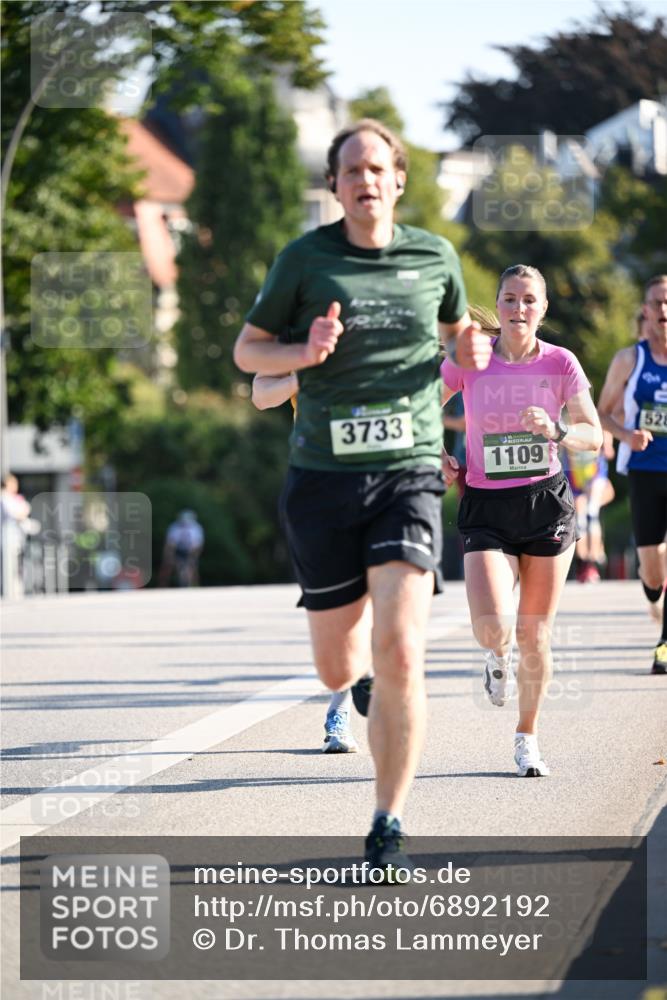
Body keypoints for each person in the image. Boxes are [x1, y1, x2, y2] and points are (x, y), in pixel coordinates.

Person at [234, 118, 491, 875]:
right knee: (336, 666)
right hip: (321, 478)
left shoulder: (434, 256)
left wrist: (467, 351)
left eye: (377, 167)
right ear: (336, 186)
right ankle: (358, 684)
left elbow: (455, 339)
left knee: (404, 646)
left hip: (407, 470)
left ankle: (388, 822)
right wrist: (303, 353)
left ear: (398, 178)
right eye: (351, 171)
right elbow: (249, 351)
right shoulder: (303, 261)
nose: (365, 180)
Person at [441, 265, 603, 776]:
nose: (518, 309)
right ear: (499, 303)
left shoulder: (561, 363)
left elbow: (593, 434)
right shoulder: (472, 356)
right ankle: (496, 655)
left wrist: (556, 430)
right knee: (493, 625)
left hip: (545, 502)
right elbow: (424, 405)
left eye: (529, 300)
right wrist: (433, 452)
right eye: (509, 299)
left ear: (543, 308)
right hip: (486, 504)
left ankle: (526, 736)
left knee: (536, 634)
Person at [251, 371, 370, 754]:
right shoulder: (299, 330)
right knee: (339, 608)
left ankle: (347, 703)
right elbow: (261, 395)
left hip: (380, 480)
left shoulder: (383, 321)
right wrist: (303, 372)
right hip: (320, 485)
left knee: (378, 589)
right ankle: (345, 699)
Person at [597, 275, 667, 674]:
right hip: (644, 471)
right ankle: (653, 591)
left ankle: (665, 645)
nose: (664, 311)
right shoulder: (630, 359)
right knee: (651, 567)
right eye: (657, 303)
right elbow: (600, 412)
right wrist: (625, 434)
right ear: (646, 310)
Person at [561, 432, 615, 583]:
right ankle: (583, 562)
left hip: (594, 474)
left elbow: (609, 451)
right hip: (572, 474)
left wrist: (606, 445)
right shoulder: (564, 421)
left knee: (592, 513)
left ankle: (592, 560)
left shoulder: (597, 422)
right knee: (579, 519)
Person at [159, 510, 204, 588]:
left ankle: (194, 586)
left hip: (191, 550)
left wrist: (193, 557)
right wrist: (169, 556)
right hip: (177, 549)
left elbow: (197, 545)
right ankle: (162, 586)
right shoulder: (175, 527)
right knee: (167, 566)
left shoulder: (196, 528)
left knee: (193, 566)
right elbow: (170, 544)